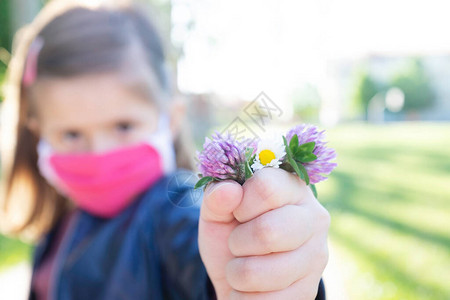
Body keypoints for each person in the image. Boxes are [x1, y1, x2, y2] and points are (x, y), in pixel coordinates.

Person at [0, 0, 330, 299]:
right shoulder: (61, 223)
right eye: (71, 134)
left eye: (123, 126)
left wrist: (270, 274)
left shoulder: (175, 209)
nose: (99, 153)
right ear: (39, 134)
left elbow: (202, 255)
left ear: (170, 119)